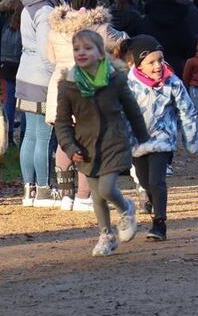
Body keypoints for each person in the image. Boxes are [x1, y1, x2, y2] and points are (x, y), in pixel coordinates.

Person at [54, 29, 149, 256]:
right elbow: (62, 122)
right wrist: (70, 147)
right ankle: (106, 236)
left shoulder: (115, 79)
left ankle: (126, 208)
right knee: (96, 195)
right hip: (85, 146)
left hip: (114, 140)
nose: (81, 53)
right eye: (77, 49)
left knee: (106, 188)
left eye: (88, 48)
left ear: (100, 53)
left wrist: (143, 138)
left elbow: (132, 109)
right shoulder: (68, 85)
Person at [44, 0, 128, 211]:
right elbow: (120, 43)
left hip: (60, 82)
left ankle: (65, 196)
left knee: (65, 139)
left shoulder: (55, 28)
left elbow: (50, 56)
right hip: (86, 83)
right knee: (87, 139)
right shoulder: (98, 26)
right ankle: (83, 195)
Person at [124, 35, 198, 241]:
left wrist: (191, 140)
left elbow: (187, 110)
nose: (157, 65)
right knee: (144, 181)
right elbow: (119, 112)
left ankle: (159, 223)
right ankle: (150, 202)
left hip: (162, 139)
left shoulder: (172, 82)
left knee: (157, 181)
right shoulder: (128, 84)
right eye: (151, 62)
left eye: (160, 59)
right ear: (139, 64)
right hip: (137, 142)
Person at [16, 0, 74, 207]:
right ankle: (42, 190)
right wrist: (60, 75)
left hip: (25, 73)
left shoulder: (31, 2)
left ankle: (29, 189)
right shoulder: (45, 9)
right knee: (42, 136)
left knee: (29, 135)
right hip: (43, 77)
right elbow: (46, 50)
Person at [138, 0, 196, 75]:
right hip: (175, 63)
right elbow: (190, 44)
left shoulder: (148, 19)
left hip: (150, 62)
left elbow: (140, 39)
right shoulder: (181, 20)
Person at [0, 0, 24, 146]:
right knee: (27, 103)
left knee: (9, 101)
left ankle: (7, 135)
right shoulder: (28, 17)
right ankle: (24, 135)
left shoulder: (5, 18)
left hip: (7, 63)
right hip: (23, 63)